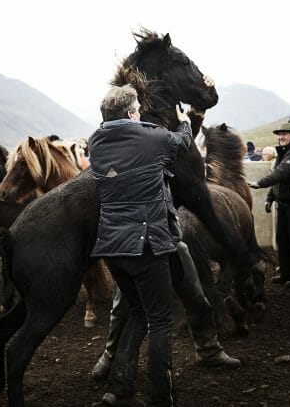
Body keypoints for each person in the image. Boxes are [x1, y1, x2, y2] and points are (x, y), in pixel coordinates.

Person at [88, 84, 192, 406]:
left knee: (137, 312)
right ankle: (162, 397)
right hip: (146, 245)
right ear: (132, 113)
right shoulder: (151, 137)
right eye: (137, 109)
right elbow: (183, 144)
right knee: (161, 320)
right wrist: (185, 120)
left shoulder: (95, 141)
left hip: (112, 248)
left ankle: (119, 386)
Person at [249, 123, 290, 288]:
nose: (281, 137)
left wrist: (259, 183)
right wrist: (270, 197)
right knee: (282, 239)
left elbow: (280, 173)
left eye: (285, 134)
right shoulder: (282, 154)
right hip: (284, 203)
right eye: (280, 134)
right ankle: (286, 272)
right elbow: (277, 177)